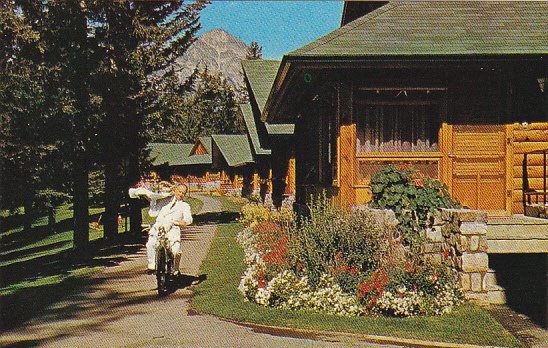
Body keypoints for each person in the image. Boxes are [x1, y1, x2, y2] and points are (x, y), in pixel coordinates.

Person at [146, 184, 193, 275]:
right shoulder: (165, 201)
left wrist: (181, 222)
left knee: (175, 251)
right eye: (179, 191)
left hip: (173, 228)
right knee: (150, 244)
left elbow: (189, 219)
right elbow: (153, 211)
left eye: (183, 193)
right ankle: (152, 265)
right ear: (175, 190)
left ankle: (174, 269)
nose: (180, 194)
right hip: (159, 227)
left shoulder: (184, 206)